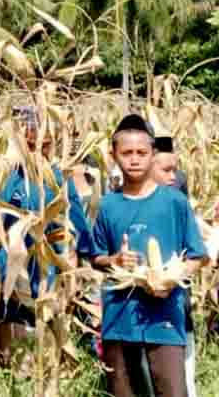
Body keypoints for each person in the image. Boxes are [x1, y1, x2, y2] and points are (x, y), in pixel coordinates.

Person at [92, 115, 207, 397]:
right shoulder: (108, 205)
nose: (134, 160)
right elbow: (96, 257)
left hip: (165, 321)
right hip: (120, 322)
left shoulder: (175, 203)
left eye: (141, 153)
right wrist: (115, 261)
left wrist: (172, 277)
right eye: (126, 153)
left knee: (172, 391)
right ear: (113, 155)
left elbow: (197, 255)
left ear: (153, 154)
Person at [0, 105, 94, 354]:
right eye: (30, 144)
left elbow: (78, 226)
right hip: (10, 279)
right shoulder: (3, 175)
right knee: (14, 351)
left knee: (41, 352)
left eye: (44, 146)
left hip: (48, 279)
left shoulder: (58, 179)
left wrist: (84, 261)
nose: (38, 153)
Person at [151, 135, 197, 397]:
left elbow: (196, 252)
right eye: (166, 170)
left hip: (178, 299)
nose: (173, 177)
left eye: (174, 171)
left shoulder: (178, 199)